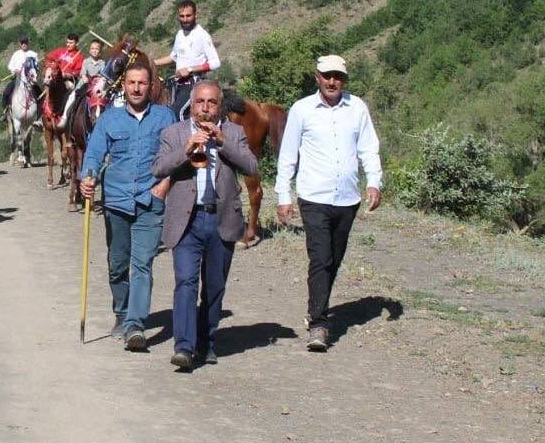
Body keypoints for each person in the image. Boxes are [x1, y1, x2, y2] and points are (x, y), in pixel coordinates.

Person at [274, 54, 383, 352]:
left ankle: (318, 302)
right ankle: (319, 322)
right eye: (327, 76)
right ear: (317, 78)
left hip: (347, 198)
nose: (332, 81)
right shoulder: (302, 110)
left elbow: (368, 148)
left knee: (333, 258)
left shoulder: (357, 107)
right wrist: (284, 196)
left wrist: (374, 181)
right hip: (314, 197)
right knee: (320, 258)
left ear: (344, 79)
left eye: (338, 76)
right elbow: (288, 155)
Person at [152, 80, 257, 370]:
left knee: (214, 286)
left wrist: (223, 143)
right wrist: (186, 150)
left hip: (221, 217)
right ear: (192, 104)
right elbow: (158, 168)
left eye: (212, 102)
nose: (206, 108)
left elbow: (251, 167)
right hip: (187, 219)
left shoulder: (234, 132)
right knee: (185, 281)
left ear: (219, 105)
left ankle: (206, 342)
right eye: (200, 102)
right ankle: (183, 347)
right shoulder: (174, 132)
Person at [79, 62, 176, 350]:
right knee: (117, 264)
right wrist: (88, 176)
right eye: (131, 83)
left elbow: (176, 155)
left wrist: (165, 184)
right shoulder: (110, 119)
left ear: (151, 86)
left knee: (142, 264)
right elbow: (95, 154)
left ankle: (135, 326)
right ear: (123, 85)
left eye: (142, 83)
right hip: (117, 201)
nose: (136, 88)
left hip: (150, 199)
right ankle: (122, 313)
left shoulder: (165, 117)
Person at [153, 0, 220, 119]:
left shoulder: (202, 35)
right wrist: (151, 63)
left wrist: (190, 69)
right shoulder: (179, 34)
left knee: (175, 114)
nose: (185, 19)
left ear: (195, 15)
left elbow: (215, 62)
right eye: (182, 16)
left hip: (194, 84)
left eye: (188, 16)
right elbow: (173, 57)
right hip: (176, 83)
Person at [46, 33, 85, 124]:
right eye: (67, 42)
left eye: (71, 43)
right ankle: (43, 113)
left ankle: (65, 113)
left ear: (76, 43)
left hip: (68, 80)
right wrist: (50, 67)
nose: (68, 45)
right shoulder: (61, 51)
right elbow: (48, 57)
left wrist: (67, 75)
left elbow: (78, 72)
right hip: (55, 77)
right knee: (47, 83)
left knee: (71, 89)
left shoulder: (80, 56)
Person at [2, 37, 39, 107]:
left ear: (28, 43)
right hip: (17, 78)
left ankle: (40, 111)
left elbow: (37, 67)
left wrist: (34, 74)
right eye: (22, 43)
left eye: (25, 43)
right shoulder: (16, 54)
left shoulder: (33, 54)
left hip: (30, 79)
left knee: (40, 94)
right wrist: (14, 70)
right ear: (20, 44)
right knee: (6, 92)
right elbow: (10, 66)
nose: (24, 44)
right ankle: (6, 110)